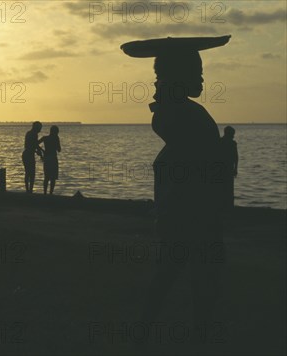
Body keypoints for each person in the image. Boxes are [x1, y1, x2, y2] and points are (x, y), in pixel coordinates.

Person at [121, 35, 231, 338]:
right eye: (196, 72)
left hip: (184, 209)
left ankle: (151, 330)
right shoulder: (179, 114)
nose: (202, 78)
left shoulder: (178, 112)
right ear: (180, 76)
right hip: (192, 211)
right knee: (194, 273)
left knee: (177, 272)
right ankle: (191, 332)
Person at [220, 126, 238, 209]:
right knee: (229, 188)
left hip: (222, 168)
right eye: (232, 134)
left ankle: (224, 204)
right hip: (227, 167)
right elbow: (236, 157)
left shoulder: (220, 142)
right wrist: (235, 168)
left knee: (223, 187)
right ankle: (228, 205)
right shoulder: (232, 143)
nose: (233, 136)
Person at [22, 121, 43, 193]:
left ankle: (29, 190)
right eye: (40, 128)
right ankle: (29, 190)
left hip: (28, 154)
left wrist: (40, 151)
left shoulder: (30, 133)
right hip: (28, 155)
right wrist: (39, 152)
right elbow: (32, 145)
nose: (40, 129)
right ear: (36, 127)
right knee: (30, 173)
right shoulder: (33, 134)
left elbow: (35, 145)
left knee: (28, 172)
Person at [39, 125, 61, 194]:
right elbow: (59, 149)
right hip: (53, 158)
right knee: (53, 178)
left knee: (46, 177)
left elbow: (36, 144)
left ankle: (45, 193)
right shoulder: (56, 138)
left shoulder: (45, 138)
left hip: (47, 158)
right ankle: (51, 193)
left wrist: (42, 150)